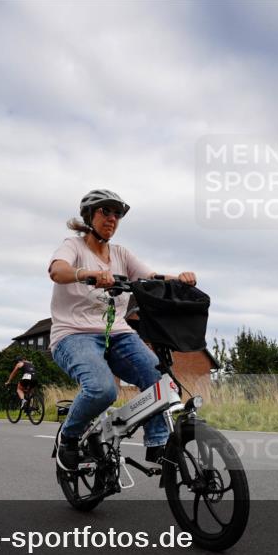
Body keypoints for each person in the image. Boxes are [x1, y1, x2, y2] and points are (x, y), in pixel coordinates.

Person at [48, 189, 196, 470]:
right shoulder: (73, 246)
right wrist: (87, 274)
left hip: (117, 332)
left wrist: (181, 279)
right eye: (106, 212)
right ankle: (68, 438)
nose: (112, 218)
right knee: (102, 390)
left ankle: (157, 442)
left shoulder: (121, 254)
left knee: (159, 380)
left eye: (117, 214)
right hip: (73, 334)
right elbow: (58, 270)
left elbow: (151, 278)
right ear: (90, 217)